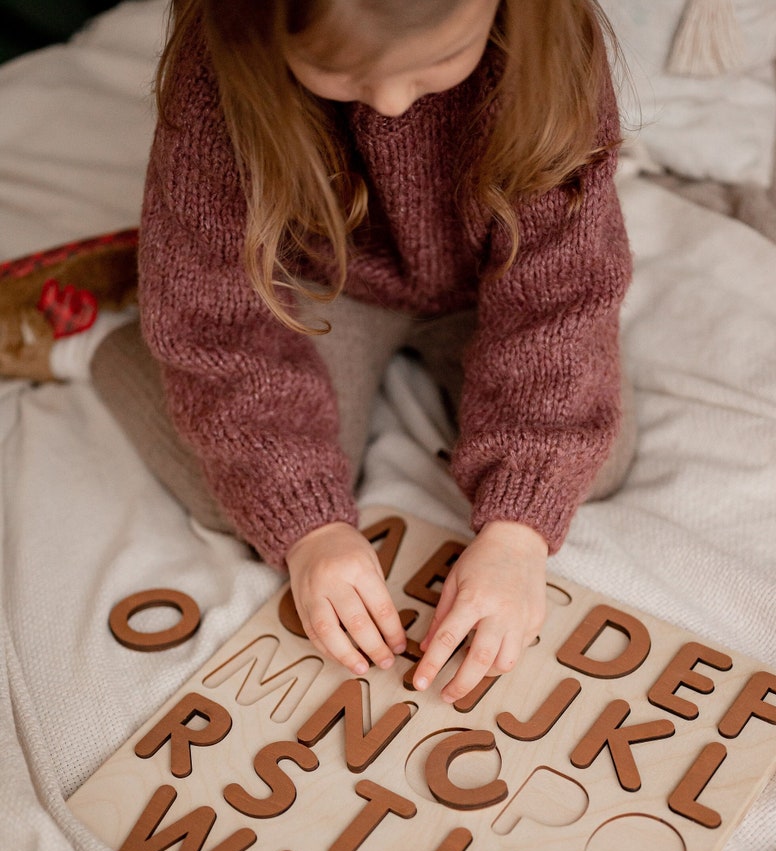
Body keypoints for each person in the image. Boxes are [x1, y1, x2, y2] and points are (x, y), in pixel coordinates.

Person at [91, 0, 635, 703]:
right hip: (321, 282)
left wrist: (517, 533)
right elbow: (221, 323)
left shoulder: (552, 44)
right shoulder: (221, 72)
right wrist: (312, 530)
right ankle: (117, 346)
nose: (391, 101)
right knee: (245, 501)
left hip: (489, 281)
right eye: (335, 70)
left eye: (440, 61)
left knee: (592, 465)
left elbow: (563, 298)